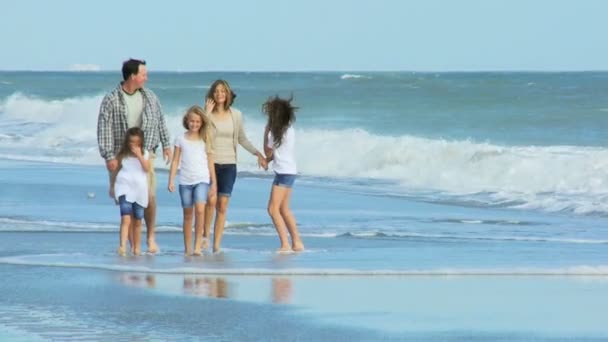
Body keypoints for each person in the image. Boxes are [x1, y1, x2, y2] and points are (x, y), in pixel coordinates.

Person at [97, 58, 172, 253]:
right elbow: (104, 127)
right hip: (121, 156)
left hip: (147, 153)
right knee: (126, 200)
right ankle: (132, 244)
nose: (146, 78)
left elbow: (160, 120)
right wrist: (108, 156)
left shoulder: (150, 97)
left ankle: (151, 238)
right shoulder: (112, 99)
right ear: (132, 76)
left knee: (150, 196)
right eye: (143, 74)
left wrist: (166, 144)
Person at [203, 79, 267, 253]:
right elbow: (202, 135)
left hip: (229, 164)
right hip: (211, 162)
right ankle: (204, 238)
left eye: (223, 91)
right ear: (212, 94)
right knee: (211, 200)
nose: (220, 94)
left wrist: (258, 154)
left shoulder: (236, 115)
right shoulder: (206, 114)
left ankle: (216, 245)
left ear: (228, 94)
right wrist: (207, 114)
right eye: (216, 91)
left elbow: (242, 138)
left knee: (222, 205)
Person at [168, 105, 216, 255]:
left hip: (202, 179)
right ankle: (188, 248)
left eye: (197, 121)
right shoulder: (180, 139)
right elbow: (175, 161)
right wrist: (171, 180)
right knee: (188, 215)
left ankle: (197, 247)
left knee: (200, 210)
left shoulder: (205, 139)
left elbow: (210, 161)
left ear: (201, 123)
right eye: (192, 121)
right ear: (187, 121)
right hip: (185, 182)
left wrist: (214, 182)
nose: (194, 124)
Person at [262, 96, 304, 252]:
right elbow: (279, 153)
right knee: (284, 209)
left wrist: (266, 131)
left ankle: (285, 244)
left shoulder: (275, 132)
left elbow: (268, 150)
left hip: (282, 173)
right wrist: (268, 160)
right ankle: (297, 242)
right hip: (290, 171)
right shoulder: (289, 129)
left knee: (273, 209)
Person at [110, 127, 150, 256]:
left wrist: (139, 155)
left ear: (141, 143)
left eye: (137, 143)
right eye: (131, 142)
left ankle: (136, 247)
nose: (134, 145)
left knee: (138, 221)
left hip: (139, 191)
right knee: (126, 219)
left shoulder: (145, 154)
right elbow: (115, 171)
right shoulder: (122, 154)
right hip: (124, 188)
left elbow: (146, 169)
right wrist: (112, 187)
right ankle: (122, 246)